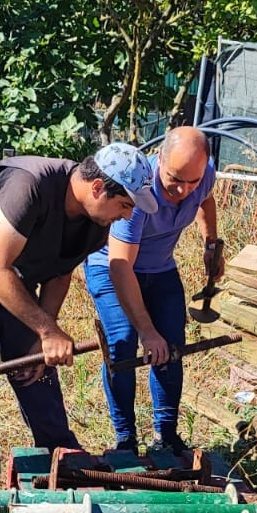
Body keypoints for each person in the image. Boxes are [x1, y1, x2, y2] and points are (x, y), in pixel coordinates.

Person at [0, 145, 157, 502]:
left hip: (12, 270)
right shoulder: (30, 186)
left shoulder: (96, 222)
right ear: (98, 188)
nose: (126, 216)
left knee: (39, 364)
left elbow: (59, 272)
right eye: (125, 205)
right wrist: (48, 330)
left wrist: (40, 337)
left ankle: (59, 455)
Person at [84, 127, 222, 454]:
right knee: (122, 344)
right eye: (175, 178)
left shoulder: (202, 177)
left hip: (159, 267)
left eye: (192, 181)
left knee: (171, 345)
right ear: (159, 158)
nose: (183, 189)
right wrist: (146, 331)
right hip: (112, 267)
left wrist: (212, 242)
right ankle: (125, 439)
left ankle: (166, 437)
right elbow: (120, 266)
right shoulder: (138, 192)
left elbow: (206, 198)